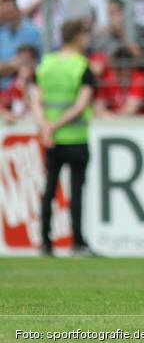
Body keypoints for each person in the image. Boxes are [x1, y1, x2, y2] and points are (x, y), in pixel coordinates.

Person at [30, 19, 97, 257]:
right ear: (78, 36)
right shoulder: (82, 66)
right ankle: (77, 242)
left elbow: (36, 100)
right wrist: (55, 126)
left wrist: (46, 128)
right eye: (85, 35)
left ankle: (45, 242)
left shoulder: (46, 64)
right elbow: (80, 105)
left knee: (49, 190)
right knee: (76, 191)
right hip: (76, 137)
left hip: (52, 139)